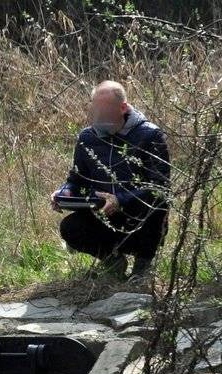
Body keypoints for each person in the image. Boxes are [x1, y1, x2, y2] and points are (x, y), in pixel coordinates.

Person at [52, 81, 171, 283]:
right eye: (96, 110)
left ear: (123, 108)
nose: (100, 117)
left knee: (157, 206)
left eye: (105, 111)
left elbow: (159, 187)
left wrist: (120, 200)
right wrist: (64, 193)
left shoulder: (150, 135)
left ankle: (142, 266)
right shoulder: (87, 138)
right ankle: (112, 261)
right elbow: (76, 179)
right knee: (70, 227)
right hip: (103, 217)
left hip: (139, 220)